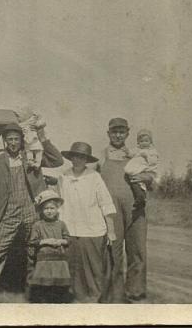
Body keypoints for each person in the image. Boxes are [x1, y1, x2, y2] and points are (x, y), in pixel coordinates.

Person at [0, 122, 64, 296]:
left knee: (35, 251)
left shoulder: (31, 155)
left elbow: (57, 160)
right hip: (8, 212)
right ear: (5, 141)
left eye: (16, 139)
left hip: (32, 209)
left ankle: (36, 292)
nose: (13, 143)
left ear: (22, 140)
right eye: (10, 140)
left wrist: (42, 138)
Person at [97, 117, 151, 303]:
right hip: (111, 210)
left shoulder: (137, 154)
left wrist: (144, 178)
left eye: (121, 131)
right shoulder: (101, 155)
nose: (118, 135)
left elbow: (152, 175)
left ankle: (135, 292)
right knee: (113, 249)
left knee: (137, 248)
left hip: (135, 207)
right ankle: (114, 293)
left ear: (127, 133)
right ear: (108, 133)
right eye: (114, 131)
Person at [55, 142, 117, 303]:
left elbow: (106, 203)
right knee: (73, 266)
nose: (78, 160)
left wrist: (111, 231)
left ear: (87, 160)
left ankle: (94, 298)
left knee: (93, 267)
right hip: (70, 229)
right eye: (75, 156)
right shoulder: (63, 176)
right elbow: (59, 203)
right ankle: (75, 298)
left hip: (92, 229)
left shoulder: (94, 176)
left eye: (82, 157)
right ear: (71, 158)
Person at [26, 187, 72, 304]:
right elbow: (32, 242)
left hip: (59, 259)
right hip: (44, 260)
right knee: (43, 287)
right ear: (41, 210)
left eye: (52, 208)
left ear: (57, 209)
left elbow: (68, 239)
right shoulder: (38, 225)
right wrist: (46, 241)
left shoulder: (61, 224)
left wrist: (60, 241)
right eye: (46, 208)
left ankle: (58, 303)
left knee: (59, 287)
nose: (49, 211)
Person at [124, 129, 161, 209]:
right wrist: (127, 153)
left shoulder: (152, 151)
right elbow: (131, 154)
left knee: (141, 184)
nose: (144, 143)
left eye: (146, 141)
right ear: (138, 142)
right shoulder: (138, 150)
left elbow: (154, 162)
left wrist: (147, 156)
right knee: (135, 184)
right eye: (141, 141)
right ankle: (140, 199)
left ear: (150, 142)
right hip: (137, 170)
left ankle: (141, 199)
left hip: (145, 170)